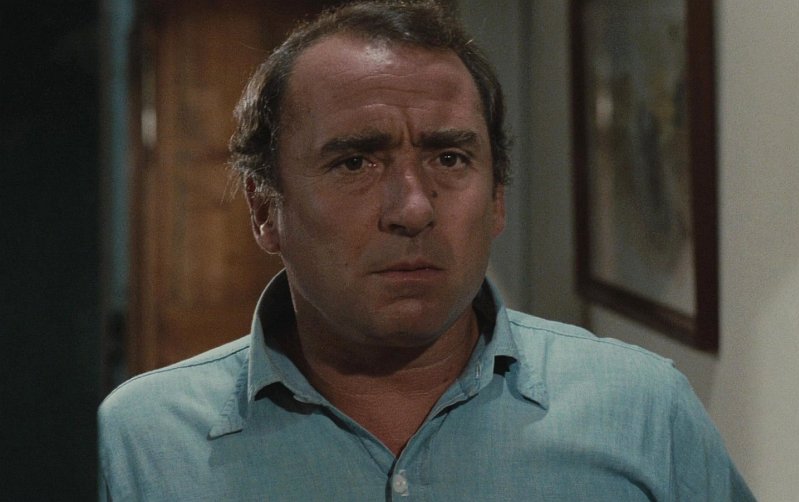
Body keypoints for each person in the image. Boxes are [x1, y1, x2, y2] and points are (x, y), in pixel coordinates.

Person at [98, 1, 755, 500]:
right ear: (265, 209)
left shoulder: (641, 412)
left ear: (497, 199)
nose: (413, 208)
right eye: (355, 162)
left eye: (449, 157)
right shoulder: (144, 443)